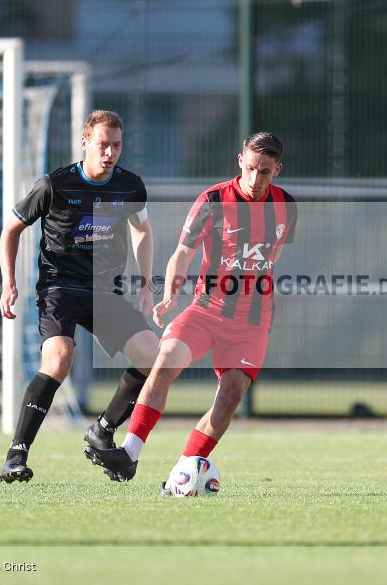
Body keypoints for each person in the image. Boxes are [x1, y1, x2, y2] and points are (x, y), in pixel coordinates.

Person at [84, 132, 297, 486]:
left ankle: (184, 471)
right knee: (166, 359)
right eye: (252, 168)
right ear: (240, 160)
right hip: (206, 309)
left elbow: (272, 259)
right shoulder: (213, 200)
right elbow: (182, 252)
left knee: (231, 395)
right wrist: (169, 295)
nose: (256, 179)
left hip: (251, 322)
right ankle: (129, 453)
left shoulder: (286, 207)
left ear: (277, 171)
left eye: (266, 172)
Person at [0, 110, 159, 483]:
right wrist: (9, 283)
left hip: (105, 292)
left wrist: (148, 285)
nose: (110, 153)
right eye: (103, 144)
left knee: (155, 358)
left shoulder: (130, 187)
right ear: (85, 141)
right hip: (60, 288)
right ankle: (16, 454)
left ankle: (102, 430)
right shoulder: (54, 185)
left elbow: (143, 230)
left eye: (117, 146)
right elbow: (11, 230)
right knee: (59, 359)